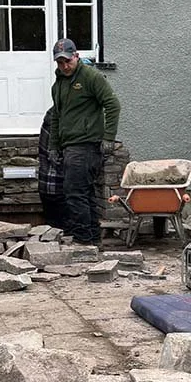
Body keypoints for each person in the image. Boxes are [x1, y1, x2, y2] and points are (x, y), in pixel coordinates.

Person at [49, 37, 121, 246]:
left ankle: (84, 240)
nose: (64, 66)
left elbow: (113, 105)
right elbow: (56, 116)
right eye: (60, 63)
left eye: (67, 61)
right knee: (85, 193)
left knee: (74, 193)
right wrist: (54, 146)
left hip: (87, 145)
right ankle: (92, 240)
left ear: (76, 56)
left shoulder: (91, 77)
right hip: (70, 146)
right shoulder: (58, 85)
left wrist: (108, 137)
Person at [37, 106, 65, 229]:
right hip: (57, 186)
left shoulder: (53, 115)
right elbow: (57, 158)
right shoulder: (56, 121)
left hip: (48, 186)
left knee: (53, 231)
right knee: (61, 232)